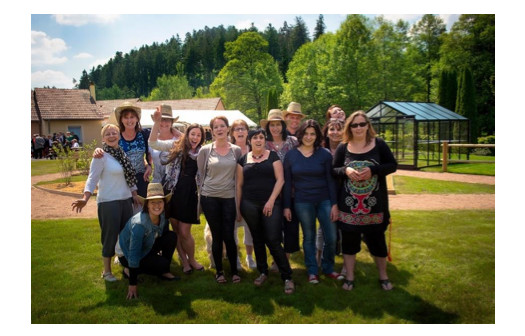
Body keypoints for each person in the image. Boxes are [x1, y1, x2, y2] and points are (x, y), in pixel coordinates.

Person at [332, 111, 397, 291]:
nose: (359, 128)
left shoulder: (379, 144)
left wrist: (374, 170)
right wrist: (346, 171)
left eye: (362, 124)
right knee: (349, 243)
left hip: (374, 206)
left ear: (368, 125)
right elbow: (333, 170)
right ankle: (350, 277)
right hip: (349, 206)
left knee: (377, 242)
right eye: (354, 125)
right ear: (349, 128)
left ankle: (383, 276)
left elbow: (392, 165)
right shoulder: (343, 147)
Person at [71, 123, 140, 282]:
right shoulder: (100, 156)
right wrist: (85, 198)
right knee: (109, 237)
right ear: (103, 138)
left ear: (119, 135)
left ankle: (126, 267)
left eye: (114, 133)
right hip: (108, 202)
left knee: (126, 236)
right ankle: (107, 271)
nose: (111, 136)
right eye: (108, 134)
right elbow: (92, 178)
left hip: (125, 200)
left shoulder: (121, 153)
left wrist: (134, 194)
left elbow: (128, 177)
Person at [236, 128, 295, 294]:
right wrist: (238, 207)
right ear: (250, 141)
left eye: (261, 137)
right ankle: (262, 272)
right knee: (257, 239)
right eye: (255, 138)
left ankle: (287, 276)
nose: (258, 140)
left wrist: (270, 201)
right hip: (249, 204)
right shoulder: (242, 160)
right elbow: (239, 186)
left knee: (273, 239)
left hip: (271, 204)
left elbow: (280, 180)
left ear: (264, 140)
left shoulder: (273, 156)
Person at [149, 105, 205, 275]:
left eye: (198, 135)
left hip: (190, 195)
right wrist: (156, 123)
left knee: (185, 231)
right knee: (175, 230)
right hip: (172, 192)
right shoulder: (176, 146)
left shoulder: (204, 152)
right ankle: (184, 261)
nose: (195, 137)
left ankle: (192, 259)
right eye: (192, 133)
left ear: (202, 138)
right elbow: (152, 143)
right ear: (187, 134)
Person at [283, 119, 340, 284]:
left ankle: (328, 268)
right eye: (306, 133)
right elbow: (287, 183)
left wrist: (334, 204)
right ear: (300, 134)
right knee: (309, 237)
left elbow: (331, 181)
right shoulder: (291, 155)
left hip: (324, 200)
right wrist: (287, 206)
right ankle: (312, 271)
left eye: (312, 134)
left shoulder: (324, 154)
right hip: (303, 202)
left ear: (317, 136)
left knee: (331, 237)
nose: (309, 137)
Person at [197, 116, 242, 284]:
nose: (220, 129)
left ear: (228, 128)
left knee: (229, 235)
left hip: (229, 197)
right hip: (210, 198)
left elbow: (238, 176)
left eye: (222, 126)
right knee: (216, 236)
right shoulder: (205, 150)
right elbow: (201, 173)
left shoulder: (236, 150)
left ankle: (235, 271)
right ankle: (219, 272)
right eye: (216, 127)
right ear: (212, 131)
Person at [117, 183, 179, 299]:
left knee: (171, 236)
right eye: (152, 202)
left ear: (164, 204)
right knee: (161, 263)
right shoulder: (139, 224)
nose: (157, 205)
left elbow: (160, 236)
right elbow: (133, 253)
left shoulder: (162, 216)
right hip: (127, 254)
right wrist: (133, 284)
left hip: (145, 245)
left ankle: (164, 271)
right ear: (147, 205)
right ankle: (128, 270)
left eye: (160, 201)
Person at [261, 109, 300, 270]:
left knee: (290, 226)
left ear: (283, 125)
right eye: (272, 125)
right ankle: (276, 259)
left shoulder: (293, 142)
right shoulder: (263, 143)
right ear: (268, 127)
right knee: (273, 228)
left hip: (292, 189)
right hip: (272, 190)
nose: (275, 128)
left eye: (278, 124)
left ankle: (285, 258)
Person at [93, 102, 152, 198]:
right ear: (121, 120)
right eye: (126, 117)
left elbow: (149, 153)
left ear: (137, 118)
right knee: (126, 211)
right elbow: (106, 149)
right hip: (121, 180)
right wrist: (97, 149)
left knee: (142, 210)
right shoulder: (116, 135)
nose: (129, 120)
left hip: (141, 179)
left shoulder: (144, 134)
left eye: (132, 117)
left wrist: (149, 165)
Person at [316, 119, 345, 276]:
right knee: (323, 228)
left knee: (344, 230)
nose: (335, 132)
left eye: (338, 129)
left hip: (345, 193)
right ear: (326, 132)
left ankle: (345, 264)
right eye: (331, 129)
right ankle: (318, 258)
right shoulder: (321, 150)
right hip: (325, 194)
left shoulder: (349, 149)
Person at [230, 119, 256, 270]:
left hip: (251, 193)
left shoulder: (253, 148)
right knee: (232, 226)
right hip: (231, 192)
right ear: (232, 133)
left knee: (250, 227)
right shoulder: (229, 149)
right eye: (237, 129)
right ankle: (236, 259)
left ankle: (249, 256)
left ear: (247, 131)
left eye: (243, 129)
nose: (240, 132)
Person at [149, 104, 182, 184]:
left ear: (171, 122)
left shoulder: (178, 139)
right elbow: (148, 158)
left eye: (167, 120)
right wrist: (148, 166)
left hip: (175, 183)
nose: (163, 122)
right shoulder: (151, 138)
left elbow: (190, 143)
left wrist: (178, 133)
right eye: (161, 119)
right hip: (157, 183)